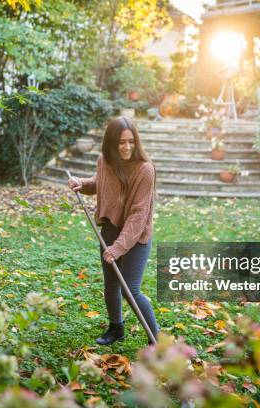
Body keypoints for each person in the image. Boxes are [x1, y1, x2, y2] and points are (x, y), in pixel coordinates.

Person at [67, 116, 160, 345]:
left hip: (136, 236)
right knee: (111, 284)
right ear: (111, 144)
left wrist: (118, 248)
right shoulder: (105, 161)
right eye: (121, 142)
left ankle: (155, 338)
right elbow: (101, 184)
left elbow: (139, 215)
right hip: (110, 228)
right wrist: (83, 184)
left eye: (131, 141)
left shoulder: (145, 170)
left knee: (131, 289)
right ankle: (116, 328)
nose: (127, 147)